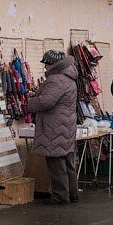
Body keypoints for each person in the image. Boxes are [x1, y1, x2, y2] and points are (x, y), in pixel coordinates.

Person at [26, 49, 80, 205]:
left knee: (56, 163)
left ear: (53, 65)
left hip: (54, 127)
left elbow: (45, 102)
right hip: (65, 125)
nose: (45, 68)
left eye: (46, 65)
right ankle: (72, 194)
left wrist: (31, 103)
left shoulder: (56, 79)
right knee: (67, 162)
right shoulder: (69, 77)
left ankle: (60, 196)